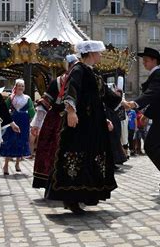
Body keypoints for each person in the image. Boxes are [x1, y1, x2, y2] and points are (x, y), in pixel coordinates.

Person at [45, 40, 121, 214]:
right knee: (76, 156)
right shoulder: (78, 69)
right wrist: (71, 112)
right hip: (80, 123)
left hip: (93, 124)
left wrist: (125, 104)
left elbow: (105, 96)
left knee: (92, 156)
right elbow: (71, 90)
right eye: (99, 53)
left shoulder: (93, 73)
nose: (100, 55)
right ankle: (71, 198)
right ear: (91, 53)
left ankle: (88, 194)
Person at [123, 47, 160, 193]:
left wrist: (135, 104)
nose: (144, 63)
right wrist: (146, 114)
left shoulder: (159, 75)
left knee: (150, 146)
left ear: (154, 60)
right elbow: (156, 99)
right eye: (143, 60)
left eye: (146, 60)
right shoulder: (157, 74)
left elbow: (152, 94)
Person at [31, 54, 78, 189]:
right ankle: (51, 182)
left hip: (72, 118)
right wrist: (36, 124)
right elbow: (45, 103)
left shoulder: (78, 81)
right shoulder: (57, 82)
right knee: (50, 149)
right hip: (56, 119)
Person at [0, 79, 35, 174]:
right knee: (10, 140)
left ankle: (17, 163)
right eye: (19, 86)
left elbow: (32, 111)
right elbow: (4, 109)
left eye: (23, 86)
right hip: (13, 120)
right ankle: (6, 165)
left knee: (21, 140)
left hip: (24, 121)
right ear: (16, 86)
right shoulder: (11, 98)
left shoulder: (27, 98)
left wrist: (34, 122)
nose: (21, 88)